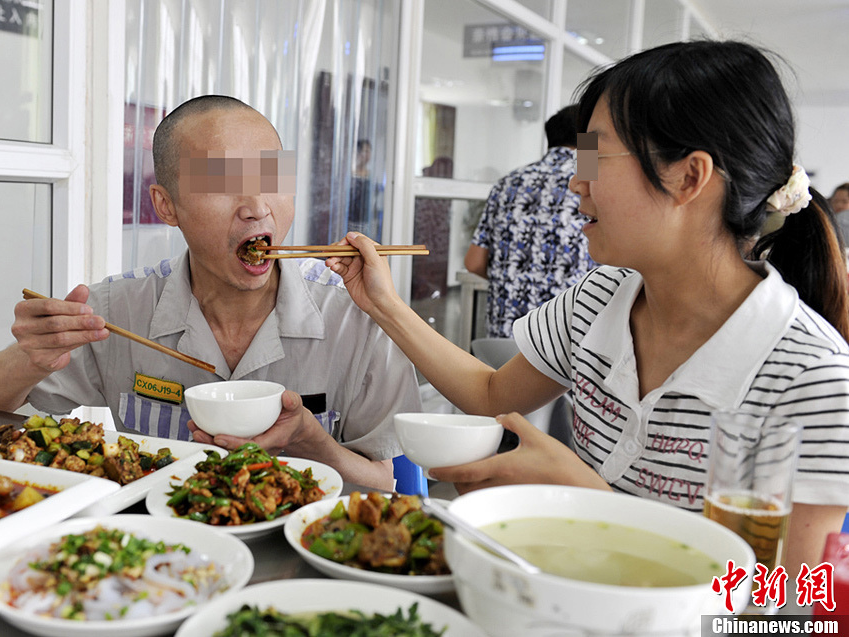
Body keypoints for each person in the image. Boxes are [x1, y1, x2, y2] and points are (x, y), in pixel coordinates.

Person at [327, 41, 849, 575]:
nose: (577, 182)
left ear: (689, 177)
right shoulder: (602, 295)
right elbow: (490, 395)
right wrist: (382, 303)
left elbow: (789, 609)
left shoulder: (815, 381)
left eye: (596, 158)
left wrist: (581, 494)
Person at [0, 95, 421, 490]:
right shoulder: (117, 311)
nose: (257, 208)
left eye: (271, 180)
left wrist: (311, 444)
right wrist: (30, 357)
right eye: (222, 184)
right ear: (166, 205)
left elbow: (383, 480)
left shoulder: (356, 316)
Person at [464, 105, 595, 338]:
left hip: (502, 342)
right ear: (587, 141)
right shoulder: (590, 185)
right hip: (560, 344)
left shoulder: (507, 182)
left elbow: (474, 262)